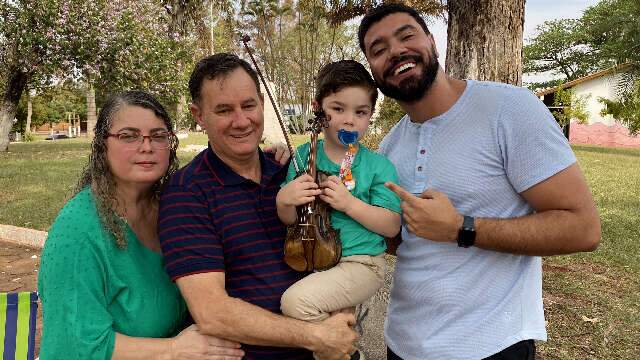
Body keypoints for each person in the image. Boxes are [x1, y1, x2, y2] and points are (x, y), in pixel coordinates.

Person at [357, 4, 602, 360]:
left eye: (406, 35)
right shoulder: (391, 146)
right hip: (403, 346)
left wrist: (461, 228)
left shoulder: (509, 110)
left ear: (432, 42)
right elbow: (400, 239)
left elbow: (583, 228)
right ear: (374, 71)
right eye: (378, 50)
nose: (395, 51)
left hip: (490, 346)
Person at [157, 53, 358, 360]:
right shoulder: (187, 193)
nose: (241, 121)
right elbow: (212, 312)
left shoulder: (289, 171)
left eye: (248, 105)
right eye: (224, 110)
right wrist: (316, 336)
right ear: (199, 115)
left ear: (262, 103)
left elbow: (341, 243)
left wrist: (342, 306)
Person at [38, 90, 245, 359]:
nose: (146, 146)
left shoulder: (172, 208)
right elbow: (77, 345)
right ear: (102, 144)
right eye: (129, 135)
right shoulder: (78, 231)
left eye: (158, 136)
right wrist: (174, 350)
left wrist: (275, 162)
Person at [277, 60, 401, 329]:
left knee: (295, 303)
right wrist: (284, 200)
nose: (349, 119)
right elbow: (289, 221)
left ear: (370, 115)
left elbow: (392, 226)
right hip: (316, 257)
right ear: (318, 108)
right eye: (338, 108)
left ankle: (347, 348)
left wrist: (349, 204)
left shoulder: (378, 166)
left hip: (361, 263)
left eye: (360, 112)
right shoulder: (303, 156)